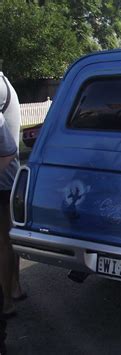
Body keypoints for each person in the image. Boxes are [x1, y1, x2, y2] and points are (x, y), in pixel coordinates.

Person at [0, 71, 23, 323]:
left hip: (2, 177)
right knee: (7, 237)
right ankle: (14, 288)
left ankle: (5, 301)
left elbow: (5, 147)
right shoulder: (4, 81)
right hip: (10, 175)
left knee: (3, 242)